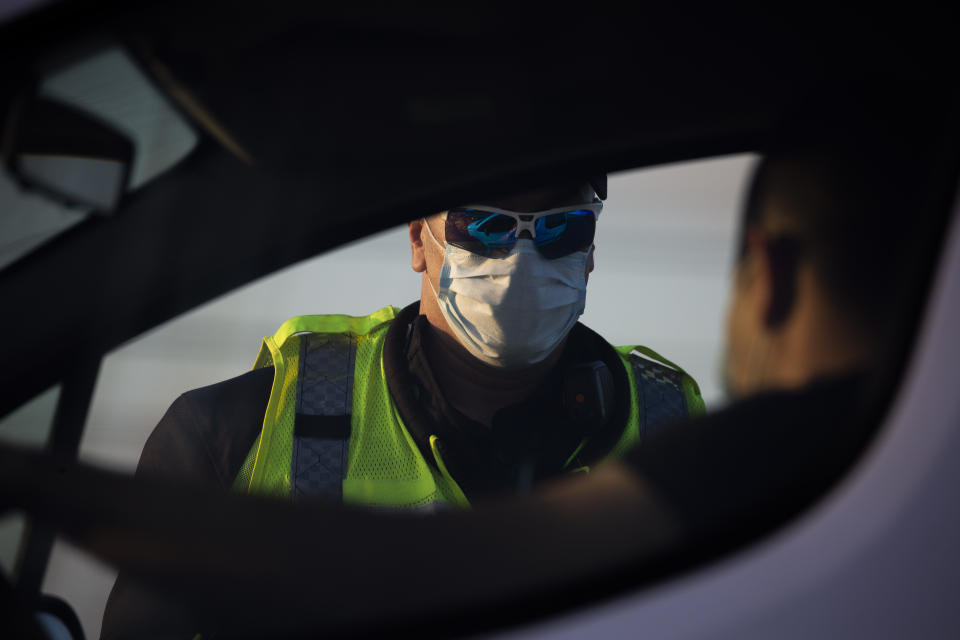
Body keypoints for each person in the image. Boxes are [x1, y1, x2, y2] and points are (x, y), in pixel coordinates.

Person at [100, 176, 704, 637]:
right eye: (484, 225)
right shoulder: (229, 436)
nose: (522, 259)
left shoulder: (676, 432)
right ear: (420, 238)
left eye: (562, 228)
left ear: (591, 249)